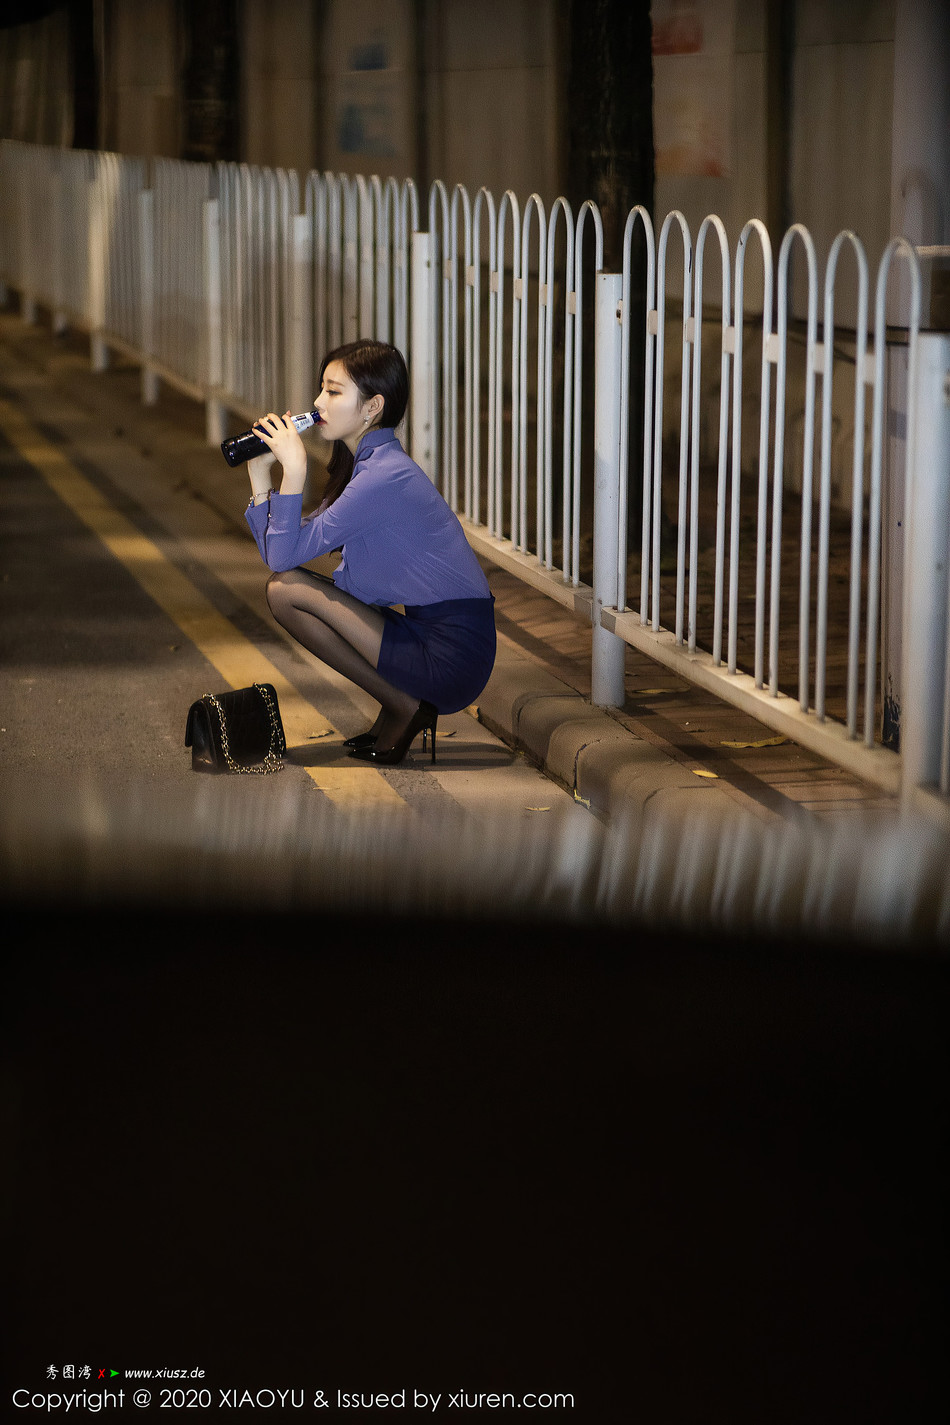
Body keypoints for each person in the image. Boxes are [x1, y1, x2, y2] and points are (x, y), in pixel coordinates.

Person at [244, 339, 496, 766]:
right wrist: (259, 475)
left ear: (372, 407)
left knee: (285, 589)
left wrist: (296, 470)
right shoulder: (366, 467)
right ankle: (400, 704)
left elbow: (282, 558)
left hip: (452, 655)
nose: (318, 402)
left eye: (333, 391)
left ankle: (404, 706)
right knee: (284, 588)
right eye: (321, 388)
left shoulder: (383, 477)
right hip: (427, 635)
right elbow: (284, 547)